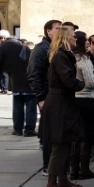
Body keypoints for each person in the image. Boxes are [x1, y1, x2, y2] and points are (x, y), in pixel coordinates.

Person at [39, 27, 84, 187]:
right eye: (73, 37)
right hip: (59, 103)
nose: (76, 39)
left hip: (62, 102)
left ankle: (63, 179)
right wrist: (80, 83)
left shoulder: (63, 55)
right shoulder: (60, 56)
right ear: (66, 38)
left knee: (65, 142)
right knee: (60, 143)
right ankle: (51, 183)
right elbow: (68, 80)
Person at [27, 19, 62, 175]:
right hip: (47, 96)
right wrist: (41, 97)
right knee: (49, 133)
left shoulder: (56, 47)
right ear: (49, 31)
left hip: (56, 97)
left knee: (55, 132)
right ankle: (47, 166)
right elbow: (33, 74)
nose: (60, 31)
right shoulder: (42, 49)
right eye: (57, 28)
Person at [0, 29, 36, 136]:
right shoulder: (22, 45)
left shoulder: (4, 46)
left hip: (16, 80)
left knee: (18, 106)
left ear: (3, 38)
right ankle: (29, 130)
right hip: (30, 79)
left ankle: (18, 129)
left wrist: (0, 76)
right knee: (31, 107)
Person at [71, 31, 94, 181]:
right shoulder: (83, 59)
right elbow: (91, 82)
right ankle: (84, 169)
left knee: (76, 136)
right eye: (87, 40)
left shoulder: (70, 57)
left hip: (74, 100)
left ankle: (74, 169)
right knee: (87, 136)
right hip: (86, 99)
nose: (89, 43)